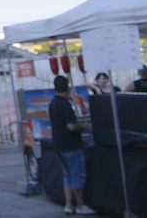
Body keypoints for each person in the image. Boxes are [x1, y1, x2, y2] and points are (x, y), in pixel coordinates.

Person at [49, 75, 95, 215]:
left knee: (67, 176)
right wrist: (84, 127)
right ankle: (80, 205)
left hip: (59, 145)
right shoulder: (65, 104)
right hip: (71, 147)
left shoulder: (52, 104)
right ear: (68, 87)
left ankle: (69, 205)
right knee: (77, 176)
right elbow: (71, 126)